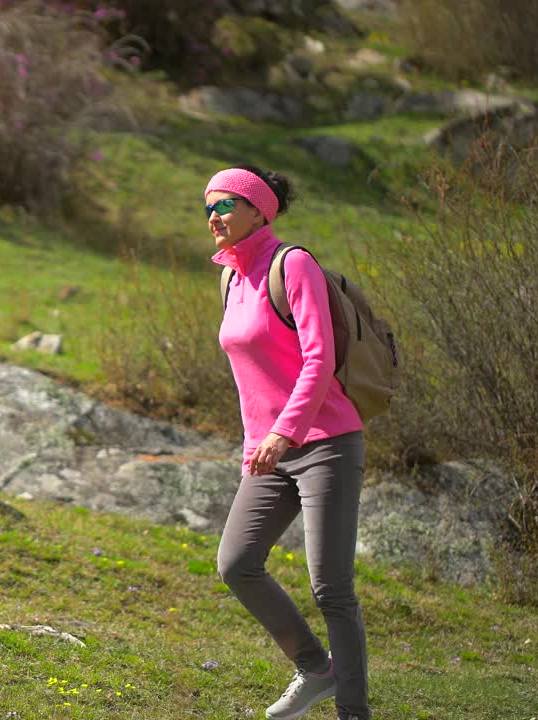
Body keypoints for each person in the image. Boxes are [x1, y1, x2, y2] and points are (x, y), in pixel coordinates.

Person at [206, 166, 370, 720]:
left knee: (331, 588)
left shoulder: (291, 263)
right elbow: (253, 374)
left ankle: (354, 710)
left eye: (225, 205)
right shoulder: (229, 277)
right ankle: (316, 668)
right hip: (267, 451)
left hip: (326, 441)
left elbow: (319, 357)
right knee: (236, 563)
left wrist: (285, 431)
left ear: (259, 209)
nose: (213, 217)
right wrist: (259, 439)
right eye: (207, 207)